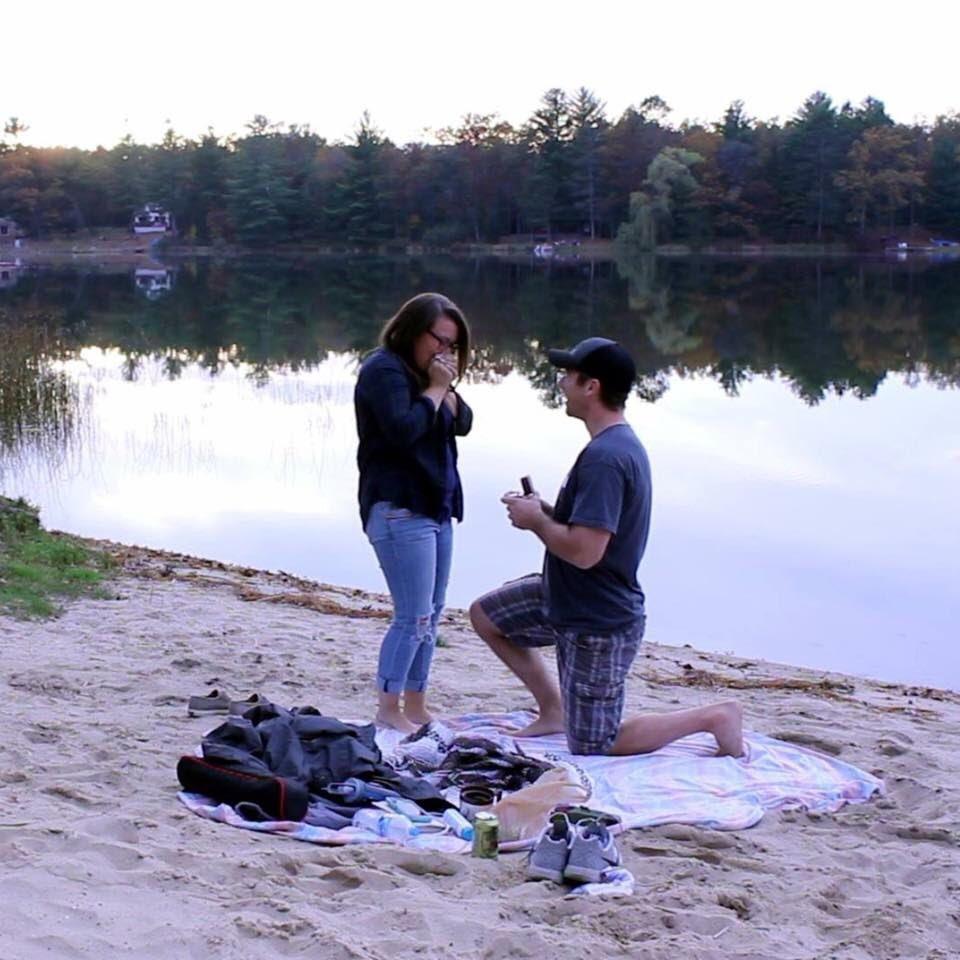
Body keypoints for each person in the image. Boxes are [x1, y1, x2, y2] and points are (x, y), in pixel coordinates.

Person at [469, 337, 743, 757]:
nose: (561, 383)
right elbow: (588, 529)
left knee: (597, 743)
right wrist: (543, 509)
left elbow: (585, 551)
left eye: (568, 376)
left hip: (597, 619)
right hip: (565, 595)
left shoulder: (607, 458)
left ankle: (713, 717)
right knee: (487, 616)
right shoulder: (611, 447)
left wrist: (536, 521)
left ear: (591, 386)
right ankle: (553, 709)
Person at [355, 292, 473, 733]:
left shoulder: (427, 375)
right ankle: (389, 708)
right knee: (412, 615)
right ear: (411, 329)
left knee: (434, 611)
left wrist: (444, 387)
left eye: (452, 345)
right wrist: (438, 390)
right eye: (439, 341)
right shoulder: (382, 370)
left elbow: (462, 422)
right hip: (398, 507)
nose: (444, 352)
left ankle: (417, 704)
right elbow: (403, 431)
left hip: (436, 506)